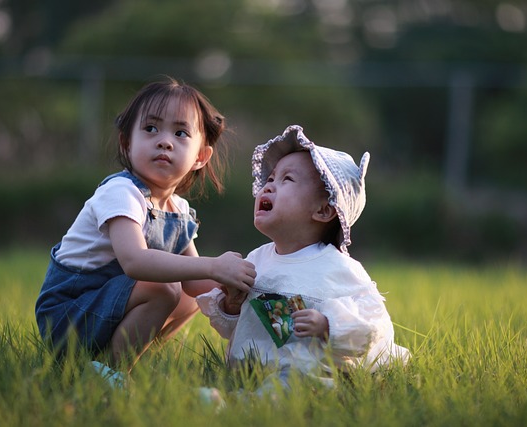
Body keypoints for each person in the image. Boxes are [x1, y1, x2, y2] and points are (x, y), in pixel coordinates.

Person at [35, 76, 256, 371]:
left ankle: (124, 358)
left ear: (200, 157)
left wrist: (234, 282)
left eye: (180, 133)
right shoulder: (121, 192)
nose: (164, 141)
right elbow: (135, 262)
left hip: (106, 308)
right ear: (127, 143)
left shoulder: (178, 209)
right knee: (163, 289)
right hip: (69, 315)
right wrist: (214, 265)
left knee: (193, 298)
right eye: (151, 129)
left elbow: (194, 283)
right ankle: (112, 372)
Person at [197, 125, 410, 392]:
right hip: (253, 370)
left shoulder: (338, 268)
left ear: (323, 210)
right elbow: (240, 328)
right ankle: (237, 399)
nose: (269, 187)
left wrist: (328, 326)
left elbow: (374, 326)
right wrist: (231, 303)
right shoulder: (257, 259)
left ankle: (245, 405)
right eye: (271, 179)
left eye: (287, 180)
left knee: (292, 386)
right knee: (258, 387)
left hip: (309, 372)